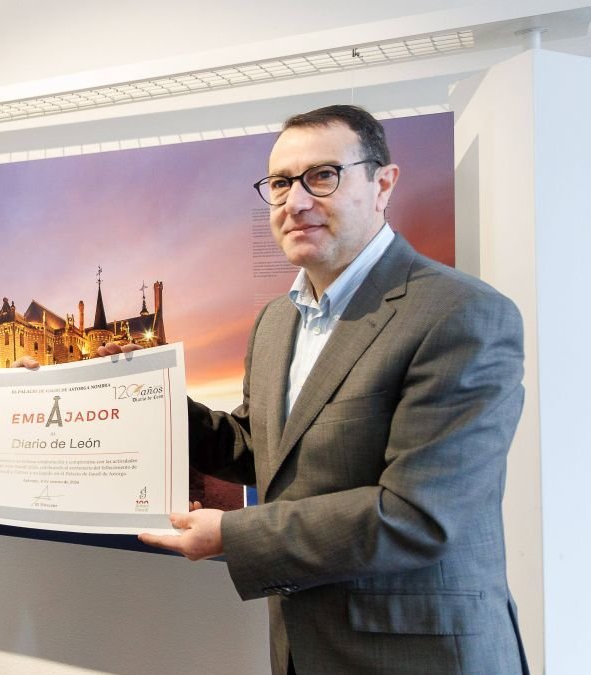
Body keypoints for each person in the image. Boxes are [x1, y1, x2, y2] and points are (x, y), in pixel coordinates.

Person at [116, 105, 528, 674]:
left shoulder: (461, 314)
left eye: (323, 176)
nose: (296, 201)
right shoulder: (276, 322)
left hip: (418, 656)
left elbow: (418, 516)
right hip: (301, 650)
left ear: (383, 185)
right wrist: (129, 393)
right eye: (281, 183)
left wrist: (232, 534)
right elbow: (257, 449)